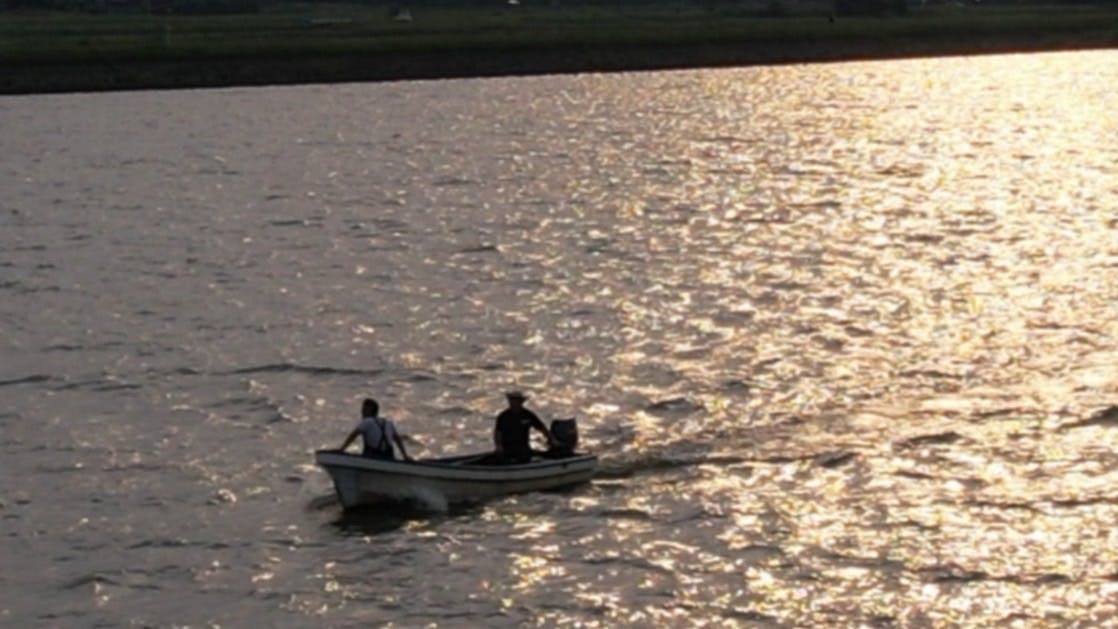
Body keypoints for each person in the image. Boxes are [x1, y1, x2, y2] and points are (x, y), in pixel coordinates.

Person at [338, 398, 412, 461]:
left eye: (364, 410)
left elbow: (354, 435)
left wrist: (342, 449)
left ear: (371, 411)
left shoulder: (367, 422)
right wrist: (405, 455)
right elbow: (397, 439)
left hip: (373, 456)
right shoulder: (388, 423)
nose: (362, 412)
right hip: (389, 457)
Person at [493, 391, 556, 464]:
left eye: (516, 400)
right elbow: (498, 433)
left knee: (525, 455)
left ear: (521, 402)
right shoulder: (503, 417)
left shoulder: (527, 414)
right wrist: (499, 446)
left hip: (523, 448)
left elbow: (541, 427)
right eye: (511, 400)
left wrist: (552, 439)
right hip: (507, 448)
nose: (513, 403)